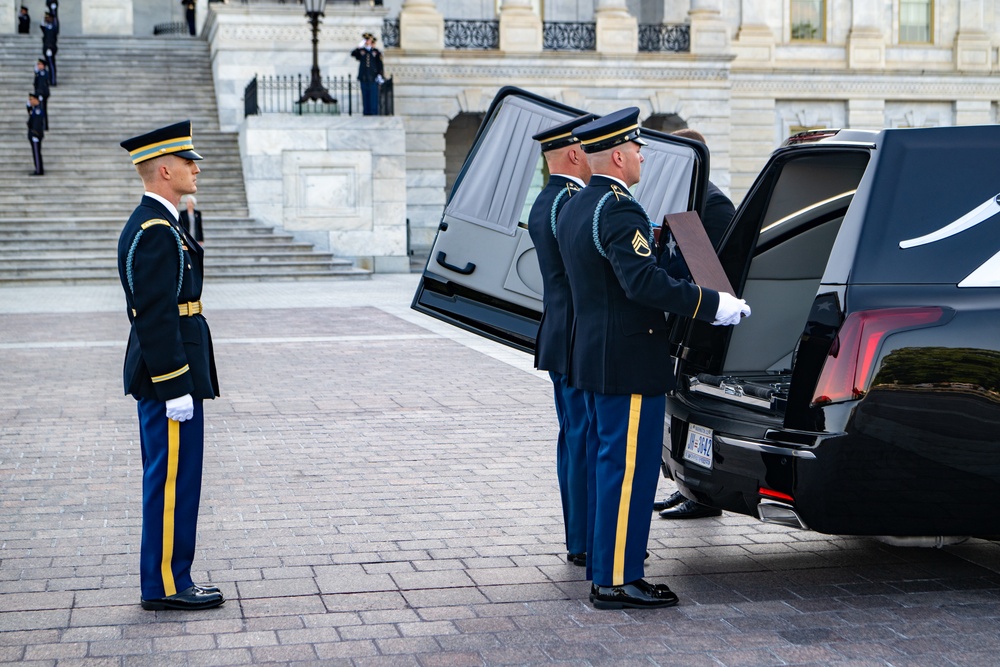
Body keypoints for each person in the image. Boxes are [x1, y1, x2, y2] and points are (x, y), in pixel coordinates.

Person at [556, 108, 750, 610]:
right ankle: (619, 579)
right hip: (627, 360)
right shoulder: (619, 209)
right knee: (630, 473)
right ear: (618, 155)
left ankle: (606, 569)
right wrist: (714, 304)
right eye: (637, 148)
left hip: (595, 358)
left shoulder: (577, 205)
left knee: (608, 468)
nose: (642, 155)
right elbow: (640, 284)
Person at [117, 121, 224, 612]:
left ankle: (171, 576)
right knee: (172, 481)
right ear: (165, 169)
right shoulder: (154, 231)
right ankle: (164, 583)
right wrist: (174, 385)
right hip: (169, 376)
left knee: (175, 479)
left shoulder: (160, 224)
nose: (196, 168)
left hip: (172, 369)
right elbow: (155, 313)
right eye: (188, 162)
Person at [654, 127, 738, 521]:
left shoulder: (714, 205)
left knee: (698, 414)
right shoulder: (690, 200)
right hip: (685, 323)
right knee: (681, 411)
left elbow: (718, 275)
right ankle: (687, 485)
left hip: (706, 330)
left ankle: (703, 497)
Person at [526, 114, 596, 568]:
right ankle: (589, 539)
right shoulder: (570, 201)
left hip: (558, 333)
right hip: (576, 337)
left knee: (573, 438)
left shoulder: (546, 200)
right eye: (589, 150)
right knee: (585, 438)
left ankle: (579, 536)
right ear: (574, 154)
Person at [351, 32, 384, 116]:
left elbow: (379, 65)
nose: (367, 41)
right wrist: (359, 46)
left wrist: (380, 75)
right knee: (365, 97)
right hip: (363, 77)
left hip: (373, 78)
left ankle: (373, 113)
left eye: (368, 40)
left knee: (373, 97)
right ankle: (366, 113)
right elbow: (353, 54)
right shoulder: (362, 51)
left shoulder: (376, 52)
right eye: (365, 40)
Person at [27, 93, 44, 176]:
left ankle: (38, 170)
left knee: (36, 153)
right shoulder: (34, 109)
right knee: (35, 153)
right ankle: (38, 168)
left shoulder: (37, 110)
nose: (30, 101)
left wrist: (35, 134)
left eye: (31, 99)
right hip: (34, 134)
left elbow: (37, 124)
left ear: (36, 100)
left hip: (35, 135)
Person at [40, 12, 57, 87]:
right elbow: (42, 26)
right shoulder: (47, 26)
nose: (47, 19)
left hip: (50, 48)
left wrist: (49, 48)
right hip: (46, 47)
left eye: (48, 18)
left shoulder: (52, 27)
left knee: (51, 65)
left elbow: (51, 39)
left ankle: (53, 81)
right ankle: (50, 79)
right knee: (49, 65)